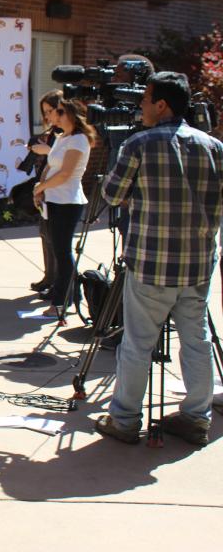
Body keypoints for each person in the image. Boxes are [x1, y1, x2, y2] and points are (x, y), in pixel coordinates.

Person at [95, 72, 223, 447]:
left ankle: (125, 420)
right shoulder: (213, 146)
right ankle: (196, 417)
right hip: (198, 263)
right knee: (196, 340)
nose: (141, 106)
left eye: (146, 99)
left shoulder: (138, 144)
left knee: (137, 344)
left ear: (162, 104)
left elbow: (113, 194)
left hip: (151, 264)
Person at [33, 99, 96, 319]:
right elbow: (50, 166)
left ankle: (61, 302)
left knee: (63, 252)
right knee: (57, 249)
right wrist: (40, 189)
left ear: (72, 115)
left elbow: (66, 173)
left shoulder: (79, 140)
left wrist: (42, 186)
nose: (55, 115)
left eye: (60, 112)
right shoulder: (62, 137)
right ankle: (70, 295)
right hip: (53, 201)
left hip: (68, 202)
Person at [27, 89, 63, 296]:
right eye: (45, 112)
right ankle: (49, 277)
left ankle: (59, 282)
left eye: (50, 110)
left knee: (57, 240)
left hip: (59, 193)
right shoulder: (52, 133)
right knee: (45, 234)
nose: (47, 116)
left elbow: (67, 163)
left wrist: (47, 151)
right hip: (45, 191)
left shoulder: (70, 134)